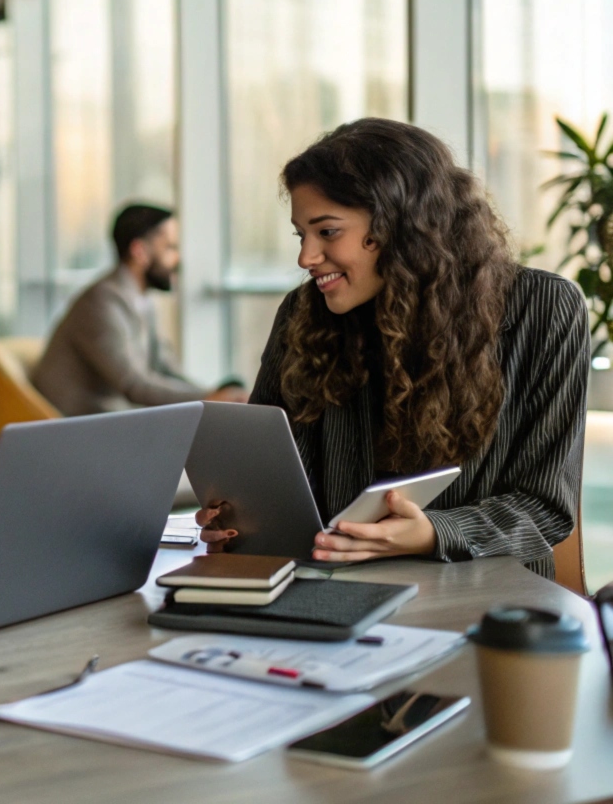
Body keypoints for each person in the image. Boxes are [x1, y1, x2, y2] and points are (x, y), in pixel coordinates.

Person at [199, 118, 588, 577]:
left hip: (489, 603)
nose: (305, 257)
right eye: (300, 235)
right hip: (336, 589)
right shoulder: (302, 313)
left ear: (400, 224)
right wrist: (242, 517)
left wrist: (433, 533)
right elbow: (279, 480)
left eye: (326, 232)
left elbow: (545, 508)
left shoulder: (545, 309)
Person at [31, 203, 247, 416]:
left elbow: (163, 368)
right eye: (170, 247)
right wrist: (209, 400)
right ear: (139, 251)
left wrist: (213, 394)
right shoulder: (100, 302)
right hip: (75, 429)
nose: (177, 259)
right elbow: (134, 385)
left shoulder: (139, 300)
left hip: (112, 420)